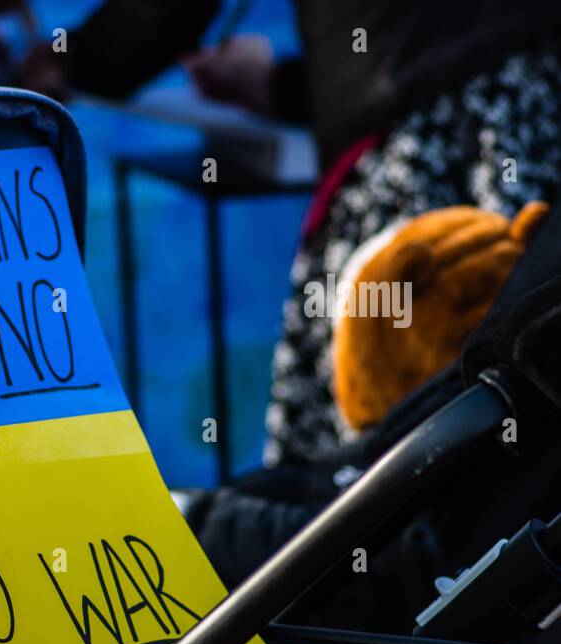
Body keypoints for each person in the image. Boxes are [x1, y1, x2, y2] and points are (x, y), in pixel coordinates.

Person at [185, 1, 561, 467]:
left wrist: (79, 58)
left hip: (420, 147)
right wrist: (280, 85)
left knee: (380, 461)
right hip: (526, 116)